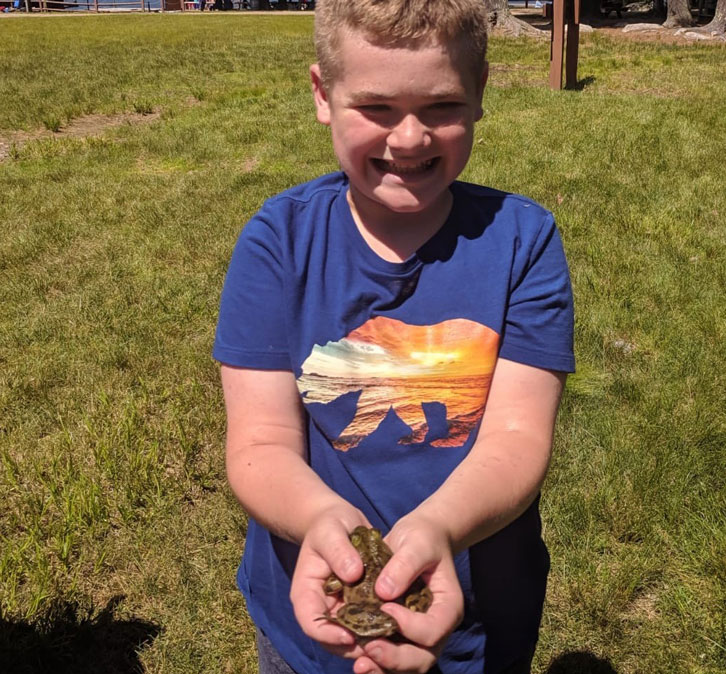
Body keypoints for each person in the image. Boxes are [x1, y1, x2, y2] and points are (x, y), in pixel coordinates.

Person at [212, 0, 575, 671]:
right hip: (311, 617)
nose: (408, 139)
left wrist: (438, 527)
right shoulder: (278, 242)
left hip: (477, 619)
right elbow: (260, 442)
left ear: (480, 95)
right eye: (376, 108)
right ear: (323, 94)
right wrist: (329, 526)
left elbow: (519, 439)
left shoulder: (523, 243)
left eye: (440, 107)